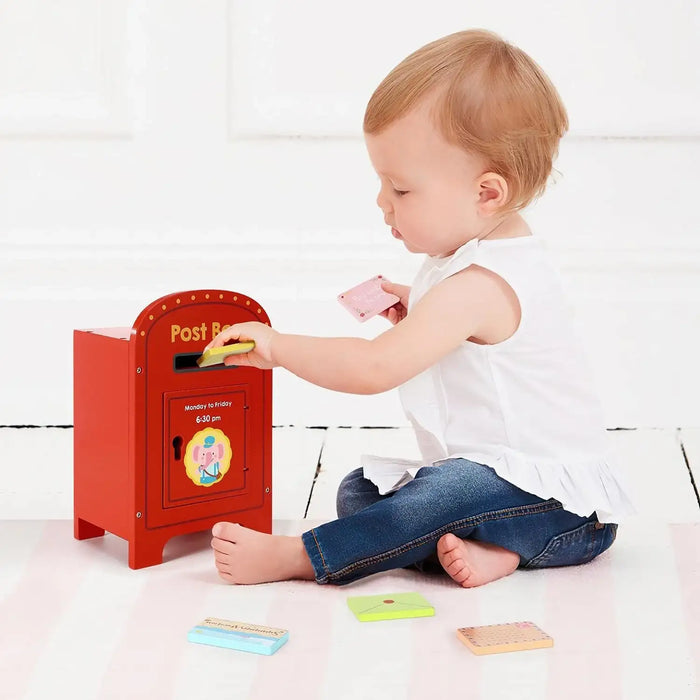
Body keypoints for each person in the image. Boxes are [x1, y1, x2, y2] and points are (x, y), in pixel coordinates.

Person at [205, 29, 634, 588]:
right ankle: (494, 550)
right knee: (359, 489)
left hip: (565, 513)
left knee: (445, 492)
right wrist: (419, 304)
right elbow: (476, 332)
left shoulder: (478, 285)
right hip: (500, 492)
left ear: (487, 194)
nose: (382, 202)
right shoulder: (476, 260)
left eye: (401, 190)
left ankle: (303, 557)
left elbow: (374, 368)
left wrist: (278, 346)